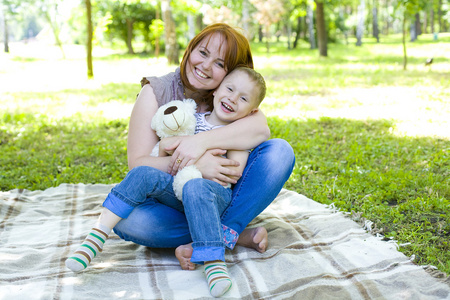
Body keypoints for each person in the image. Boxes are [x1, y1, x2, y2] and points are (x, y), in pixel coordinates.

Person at [66, 67, 267, 298]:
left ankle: (213, 263)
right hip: (177, 191)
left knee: (195, 186)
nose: (232, 98)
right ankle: (96, 236)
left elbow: (233, 172)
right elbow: (166, 156)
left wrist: (197, 154)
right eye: (229, 89)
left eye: (243, 98)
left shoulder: (236, 134)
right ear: (216, 90)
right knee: (143, 173)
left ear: (252, 111)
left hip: (212, 197)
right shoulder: (190, 120)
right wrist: (170, 149)